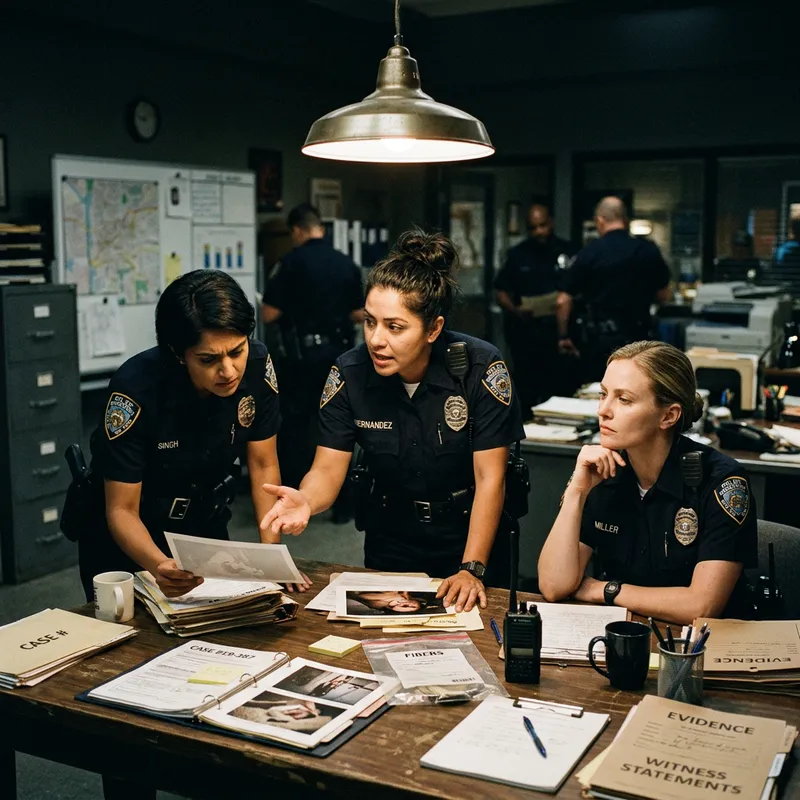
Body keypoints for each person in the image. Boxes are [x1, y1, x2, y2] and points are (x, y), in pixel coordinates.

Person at [259, 229, 526, 613]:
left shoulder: (479, 368)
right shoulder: (350, 373)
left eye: (394, 327)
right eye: (370, 322)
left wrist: (471, 568)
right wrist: (307, 500)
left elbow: (490, 478)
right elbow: (327, 469)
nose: (376, 339)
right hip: (392, 536)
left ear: (433, 329)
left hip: (470, 535)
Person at [74, 270, 311, 603]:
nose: (228, 370)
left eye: (236, 351)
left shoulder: (257, 364)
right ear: (178, 353)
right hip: (129, 535)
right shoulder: (137, 388)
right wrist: (158, 565)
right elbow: (122, 510)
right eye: (208, 359)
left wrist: (271, 558)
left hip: (203, 522)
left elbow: (262, 464)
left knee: (224, 621)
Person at [537, 341, 757, 626]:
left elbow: (701, 606)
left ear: (668, 416)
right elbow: (553, 585)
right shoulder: (602, 471)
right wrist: (577, 492)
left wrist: (605, 590)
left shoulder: (721, 480)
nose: (604, 410)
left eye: (624, 399)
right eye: (603, 394)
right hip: (622, 633)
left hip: (702, 645)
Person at [262, 203, 365, 520]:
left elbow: (269, 313)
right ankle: (343, 505)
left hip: (300, 360)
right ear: (320, 227)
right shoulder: (346, 263)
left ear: (296, 231)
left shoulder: (290, 263)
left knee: (295, 427)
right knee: (338, 428)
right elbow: (359, 313)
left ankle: (293, 497)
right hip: (338, 357)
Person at [557, 197, 672, 382]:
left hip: (601, 341)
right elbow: (664, 294)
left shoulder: (590, 252)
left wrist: (564, 336)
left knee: (600, 389)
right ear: (625, 219)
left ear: (600, 220)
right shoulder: (648, 250)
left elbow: (563, 300)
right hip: (641, 338)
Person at [494, 203, 577, 411]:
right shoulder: (518, 254)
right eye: (533, 227)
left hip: (558, 334)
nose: (539, 231)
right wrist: (515, 311)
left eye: (543, 225)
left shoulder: (568, 251)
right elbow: (500, 291)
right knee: (525, 393)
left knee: (560, 392)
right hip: (526, 334)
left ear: (551, 222)